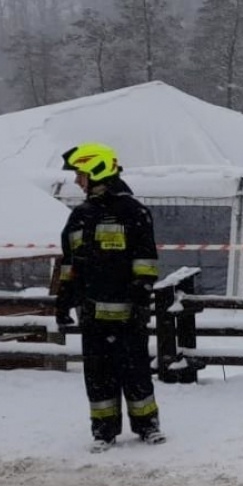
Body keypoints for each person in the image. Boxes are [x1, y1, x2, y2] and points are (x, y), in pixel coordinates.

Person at [55, 143, 165, 451]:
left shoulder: (134, 213)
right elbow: (69, 264)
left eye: (80, 174)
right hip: (91, 315)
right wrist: (63, 300)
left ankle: (148, 425)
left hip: (129, 313)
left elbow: (146, 259)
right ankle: (103, 430)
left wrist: (141, 291)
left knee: (135, 370)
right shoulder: (79, 216)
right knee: (98, 375)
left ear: (97, 171)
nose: (77, 181)